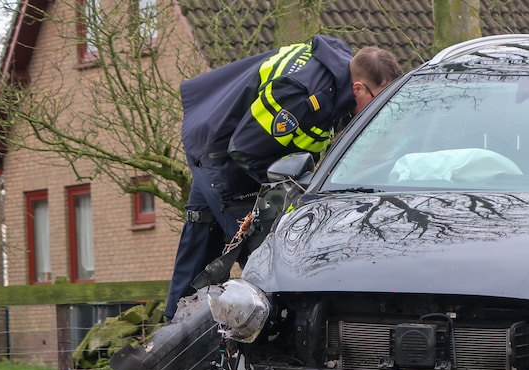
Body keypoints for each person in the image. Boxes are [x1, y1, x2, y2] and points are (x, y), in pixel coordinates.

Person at [165, 37, 401, 320]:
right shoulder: (303, 95)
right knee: (265, 261)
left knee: (200, 237)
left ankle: (170, 337)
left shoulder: (336, 74)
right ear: (359, 88)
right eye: (380, 102)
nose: (380, 113)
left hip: (212, 134)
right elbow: (247, 149)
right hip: (223, 157)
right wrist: (293, 188)